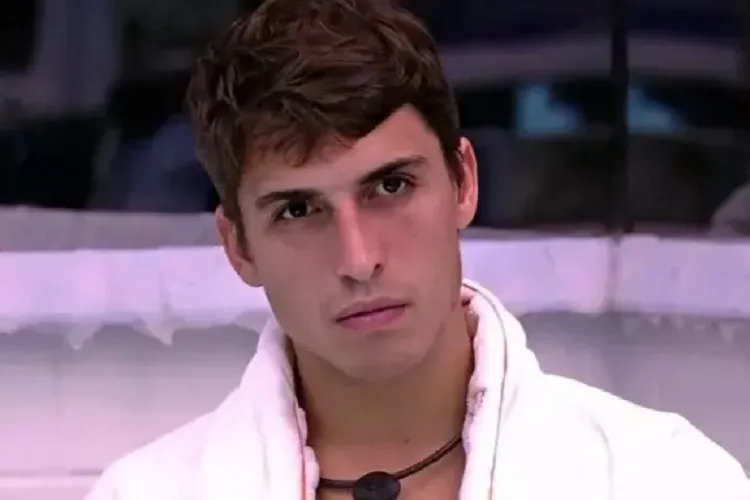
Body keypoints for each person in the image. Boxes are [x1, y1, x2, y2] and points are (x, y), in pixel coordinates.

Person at [86, 0, 750, 499]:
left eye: (390, 186)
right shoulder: (145, 493)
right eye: (298, 210)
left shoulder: (663, 477)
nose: (358, 259)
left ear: (463, 182)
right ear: (239, 247)